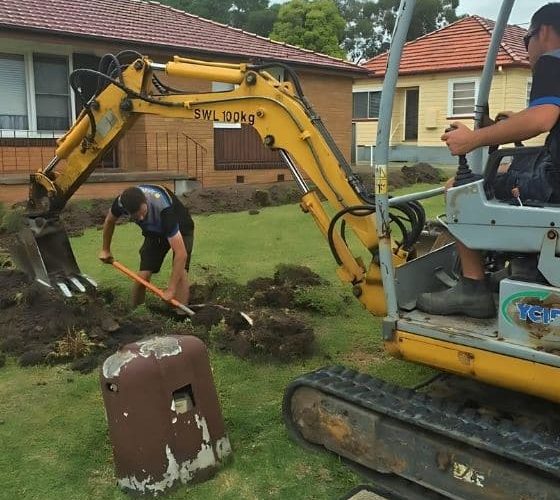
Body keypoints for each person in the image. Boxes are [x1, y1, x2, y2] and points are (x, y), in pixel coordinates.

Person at [417, 3, 560, 318]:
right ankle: (524, 267)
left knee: (460, 189)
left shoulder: (553, 60)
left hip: (554, 181)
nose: (527, 52)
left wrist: (474, 138)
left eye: (526, 41)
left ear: (544, 32)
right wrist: (508, 125)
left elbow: (543, 118)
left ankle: (472, 287)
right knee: (505, 169)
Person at [98, 184, 194, 310]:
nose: (142, 218)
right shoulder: (121, 203)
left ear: (146, 201)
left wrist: (171, 289)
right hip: (154, 233)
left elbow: (181, 254)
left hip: (181, 227)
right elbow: (110, 221)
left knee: (180, 272)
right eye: (137, 217)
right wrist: (105, 249)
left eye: (143, 212)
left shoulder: (164, 209)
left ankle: (182, 317)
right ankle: (137, 313)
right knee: (142, 276)